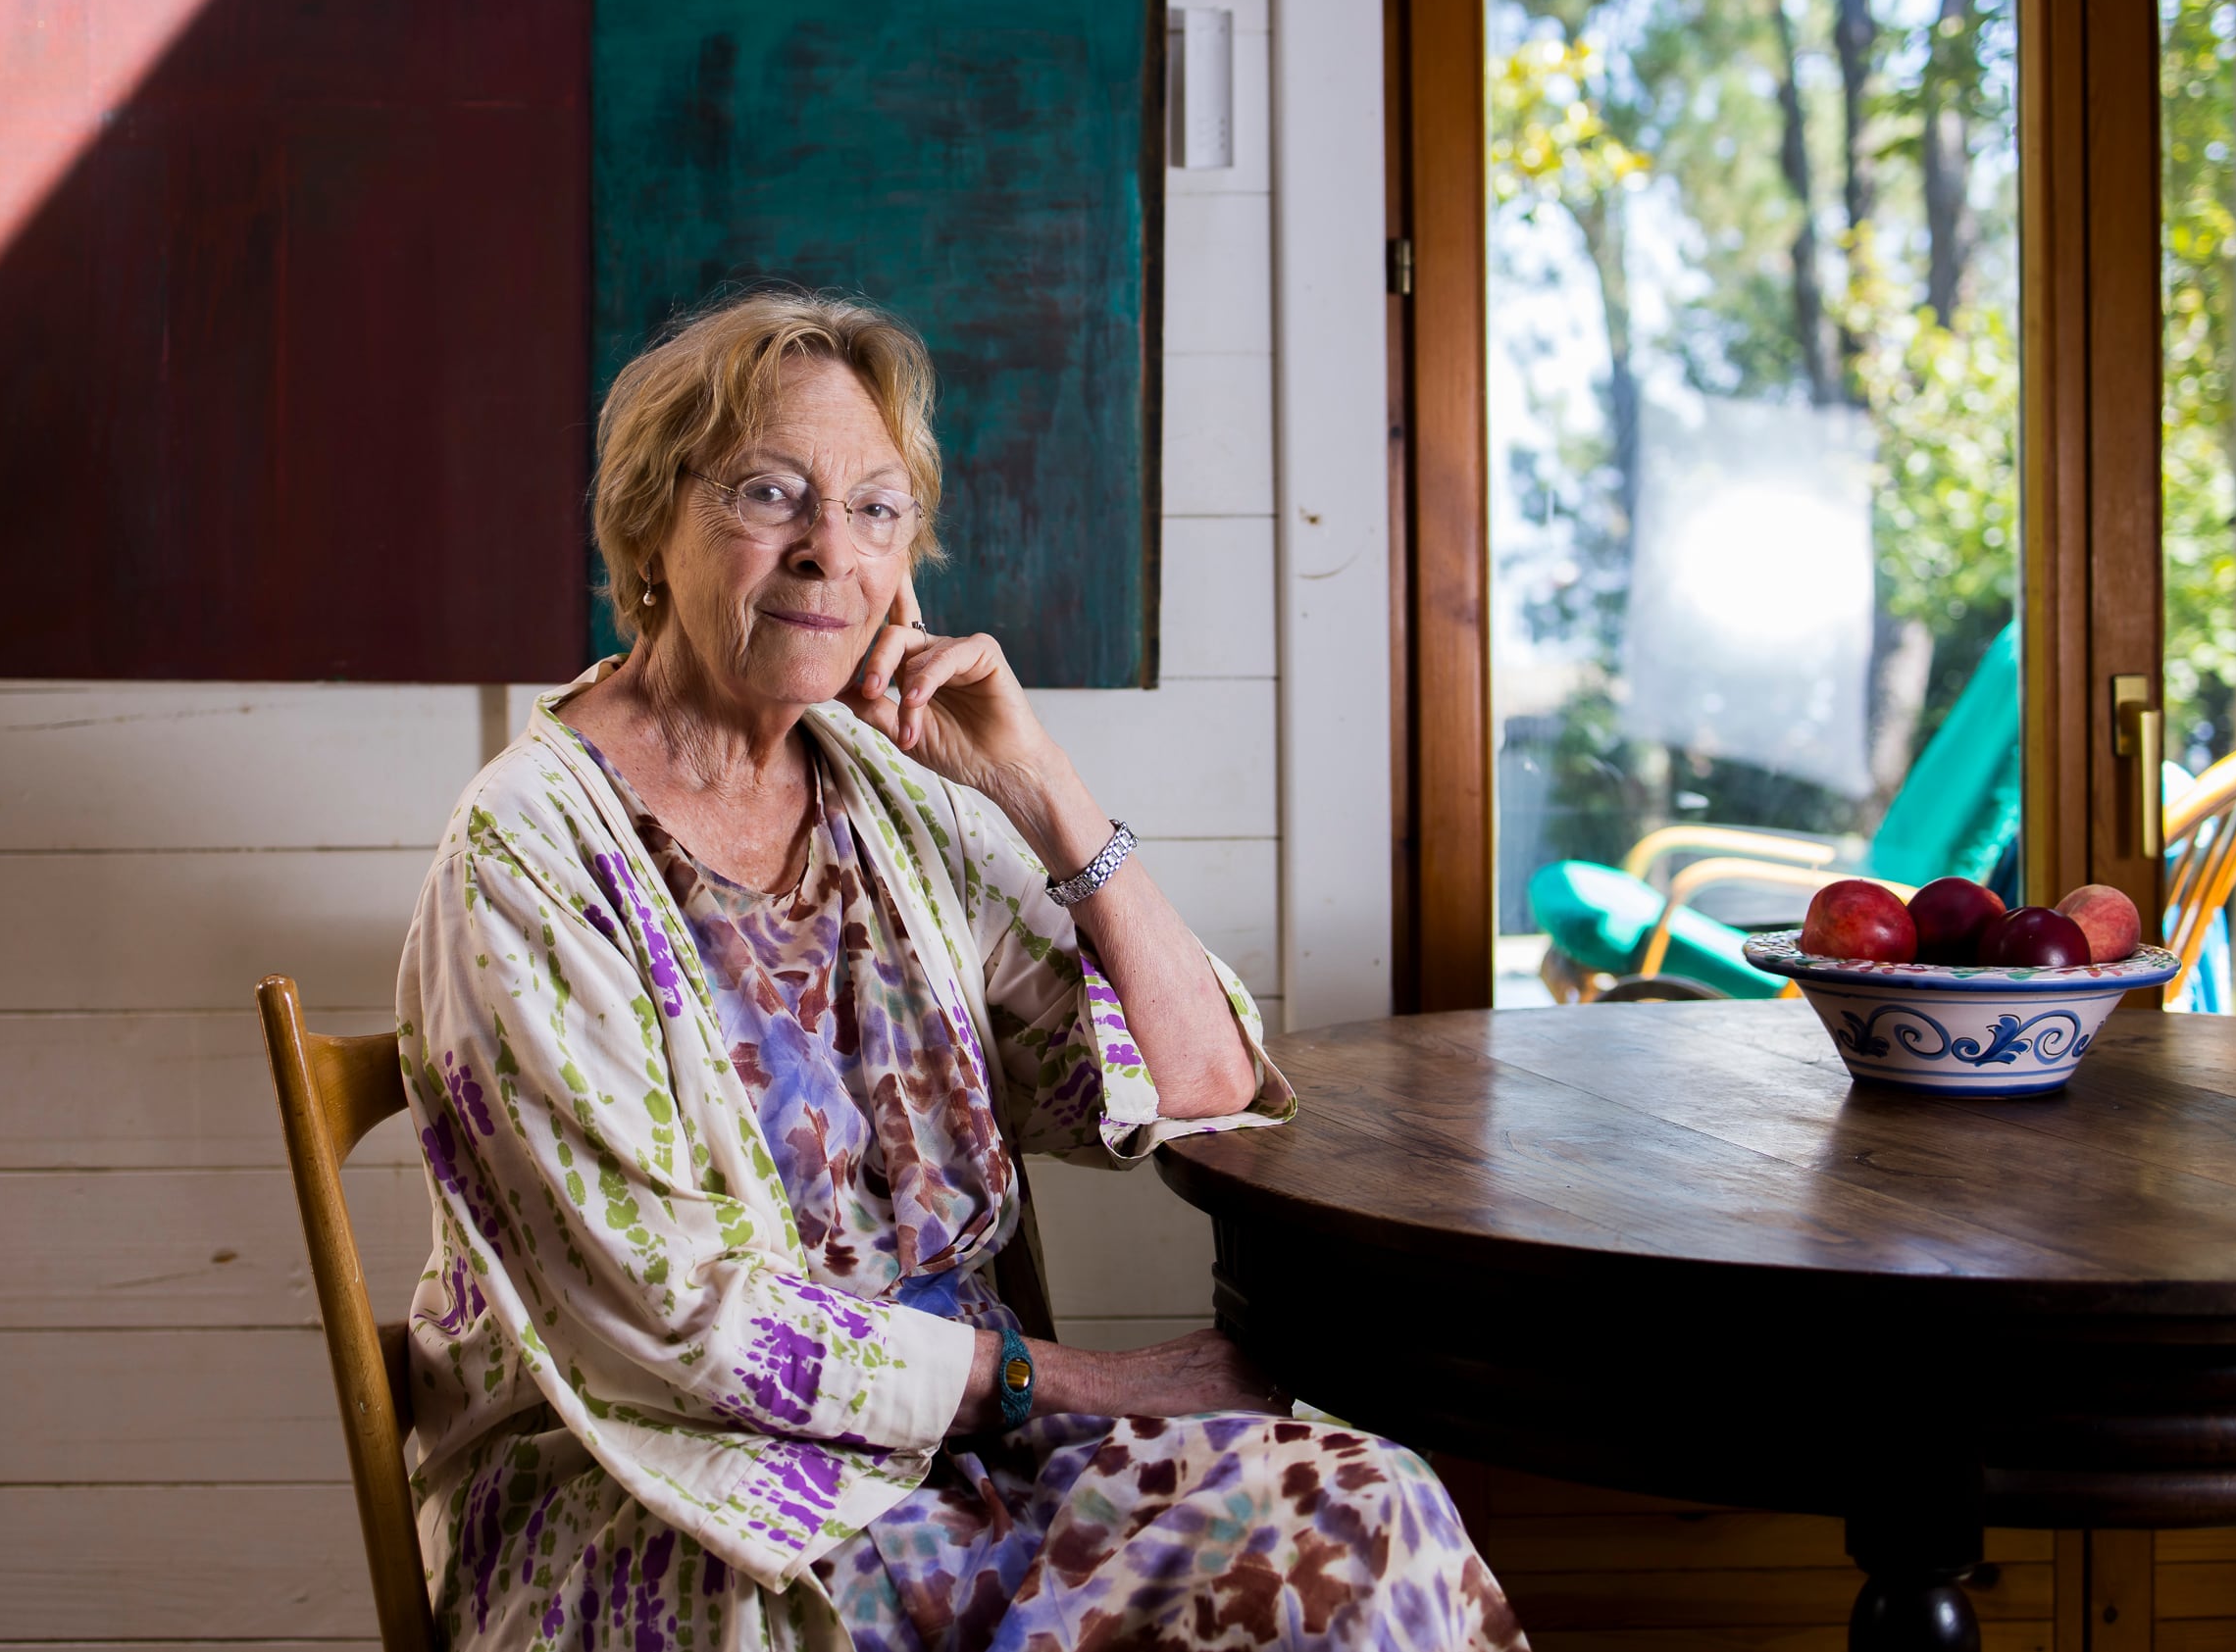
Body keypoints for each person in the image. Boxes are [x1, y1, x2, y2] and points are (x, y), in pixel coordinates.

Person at [397, 288, 1529, 1651]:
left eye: (877, 510)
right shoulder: (526, 849)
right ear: (650, 522)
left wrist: (1043, 791)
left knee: (1372, 1506)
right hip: (681, 1504)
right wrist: (1091, 1382)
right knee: (1314, 1558)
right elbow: (678, 1321)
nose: (829, 553)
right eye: (772, 493)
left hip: (970, 1463)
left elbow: (1206, 1080)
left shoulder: (889, 796)